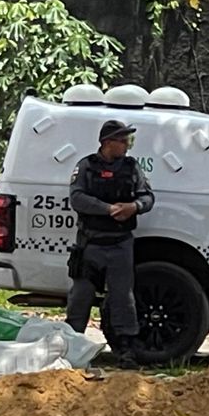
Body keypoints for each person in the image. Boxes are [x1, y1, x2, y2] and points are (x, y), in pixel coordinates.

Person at [65, 119, 155, 366]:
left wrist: (134, 206)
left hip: (120, 244)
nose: (126, 145)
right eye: (122, 140)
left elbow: (148, 197)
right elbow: (77, 198)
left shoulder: (131, 168)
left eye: (128, 140)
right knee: (80, 297)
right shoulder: (86, 166)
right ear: (107, 143)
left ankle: (126, 350)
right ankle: (71, 346)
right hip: (90, 244)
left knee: (123, 299)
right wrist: (108, 209)